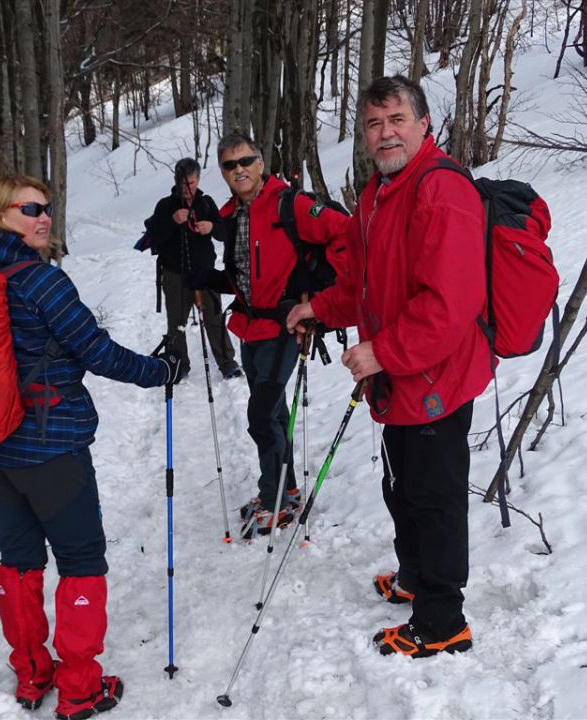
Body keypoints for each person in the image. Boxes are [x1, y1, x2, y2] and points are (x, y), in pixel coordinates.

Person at [0, 175, 180, 717]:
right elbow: (97, 351)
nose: (44, 217)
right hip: (50, 446)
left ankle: (31, 673)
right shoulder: (39, 281)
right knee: (81, 560)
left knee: (19, 559)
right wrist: (161, 370)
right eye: (29, 209)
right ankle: (80, 687)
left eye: (47, 208)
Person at [286, 76, 492, 658]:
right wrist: (319, 309)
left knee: (433, 496)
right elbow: (362, 282)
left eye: (397, 119)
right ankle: (414, 578)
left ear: (424, 124)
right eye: (375, 124)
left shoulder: (441, 191)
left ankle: (442, 619)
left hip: (436, 377)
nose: (386, 133)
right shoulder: (378, 193)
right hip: (400, 376)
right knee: (401, 483)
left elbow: (450, 304)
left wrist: (382, 351)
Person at [194, 132, 348, 538]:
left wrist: (317, 296)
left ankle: (275, 496)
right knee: (275, 413)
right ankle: (286, 490)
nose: (239, 169)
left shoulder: (291, 203)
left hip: (285, 325)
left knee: (261, 415)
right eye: (230, 165)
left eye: (246, 161)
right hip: (249, 326)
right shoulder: (233, 214)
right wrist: (210, 279)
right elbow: (248, 273)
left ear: (261, 163)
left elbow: (345, 234)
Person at [149, 158, 241, 382]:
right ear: (176, 182)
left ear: (198, 179)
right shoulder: (165, 206)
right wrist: (172, 221)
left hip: (205, 273)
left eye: (191, 183)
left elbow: (224, 234)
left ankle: (227, 362)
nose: (187, 189)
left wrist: (211, 227)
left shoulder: (206, 204)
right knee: (177, 322)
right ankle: (179, 363)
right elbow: (154, 240)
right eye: (183, 184)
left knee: (214, 318)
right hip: (174, 274)